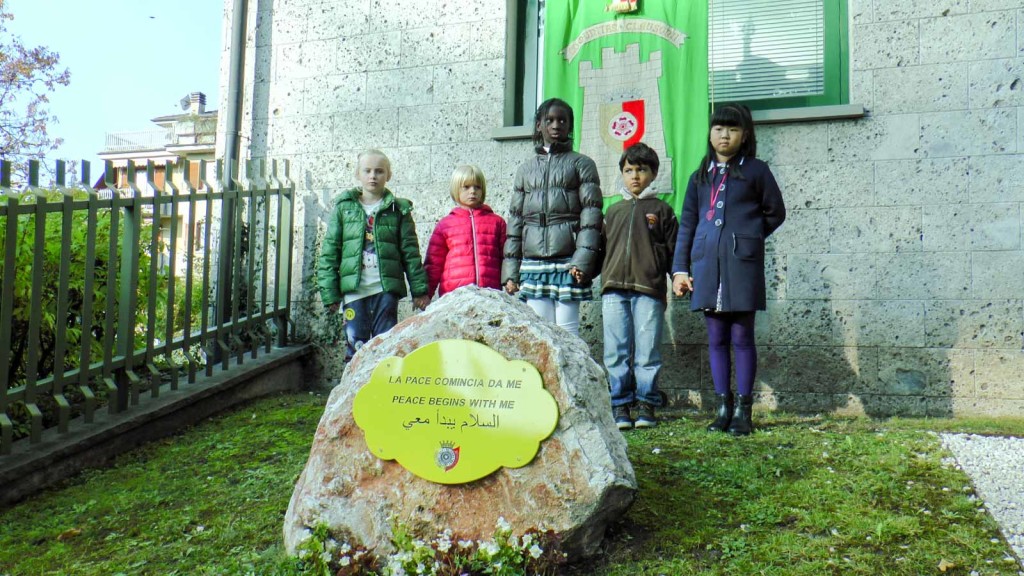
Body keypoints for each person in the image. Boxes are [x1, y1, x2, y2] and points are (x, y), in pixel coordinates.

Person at [671, 103, 786, 436]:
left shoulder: (756, 170)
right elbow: (688, 223)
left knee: (741, 337)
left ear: (745, 135)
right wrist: (680, 269)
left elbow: (775, 212)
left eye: (733, 129)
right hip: (706, 267)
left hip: (741, 267)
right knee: (716, 338)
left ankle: (743, 411)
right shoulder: (699, 177)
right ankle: (722, 408)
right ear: (710, 133)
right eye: (719, 128)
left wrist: (748, 239)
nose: (725, 134)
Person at [316, 149, 430, 360]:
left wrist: (420, 290)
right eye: (367, 171)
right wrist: (330, 292)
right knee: (355, 346)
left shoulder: (399, 210)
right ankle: (354, 391)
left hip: (385, 290)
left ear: (388, 175)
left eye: (379, 171)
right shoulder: (344, 209)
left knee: (385, 346)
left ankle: (382, 390)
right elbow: (330, 252)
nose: (373, 176)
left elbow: (411, 254)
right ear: (357, 174)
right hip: (354, 292)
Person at [502, 97, 603, 336]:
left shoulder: (582, 164)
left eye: (562, 120)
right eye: (550, 120)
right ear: (539, 125)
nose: (556, 125)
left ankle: (572, 375)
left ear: (570, 125)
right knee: (541, 334)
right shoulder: (525, 170)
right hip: (533, 264)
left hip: (567, 262)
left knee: (568, 333)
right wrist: (511, 272)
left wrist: (582, 261)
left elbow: (592, 217)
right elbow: (515, 220)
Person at [602, 143, 678, 430]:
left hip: (649, 289)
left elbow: (674, 251)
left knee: (647, 352)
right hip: (612, 290)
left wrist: (680, 277)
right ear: (622, 174)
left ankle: (646, 403)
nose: (635, 176)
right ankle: (620, 405)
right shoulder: (612, 211)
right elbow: (599, 250)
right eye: (628, 170)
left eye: (641, 170)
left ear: (654, 173)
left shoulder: (663, 210)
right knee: (616, 350)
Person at [423, 165, 507, 297]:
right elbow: (434, 263)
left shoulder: (497, 222)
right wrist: (425, 294)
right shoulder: (445, 225)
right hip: (454, 295)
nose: (472, 191)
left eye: (477, 187)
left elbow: (507, 258)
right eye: (466, 187)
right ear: (456, 189)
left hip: (490, 294)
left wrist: (510, 281)